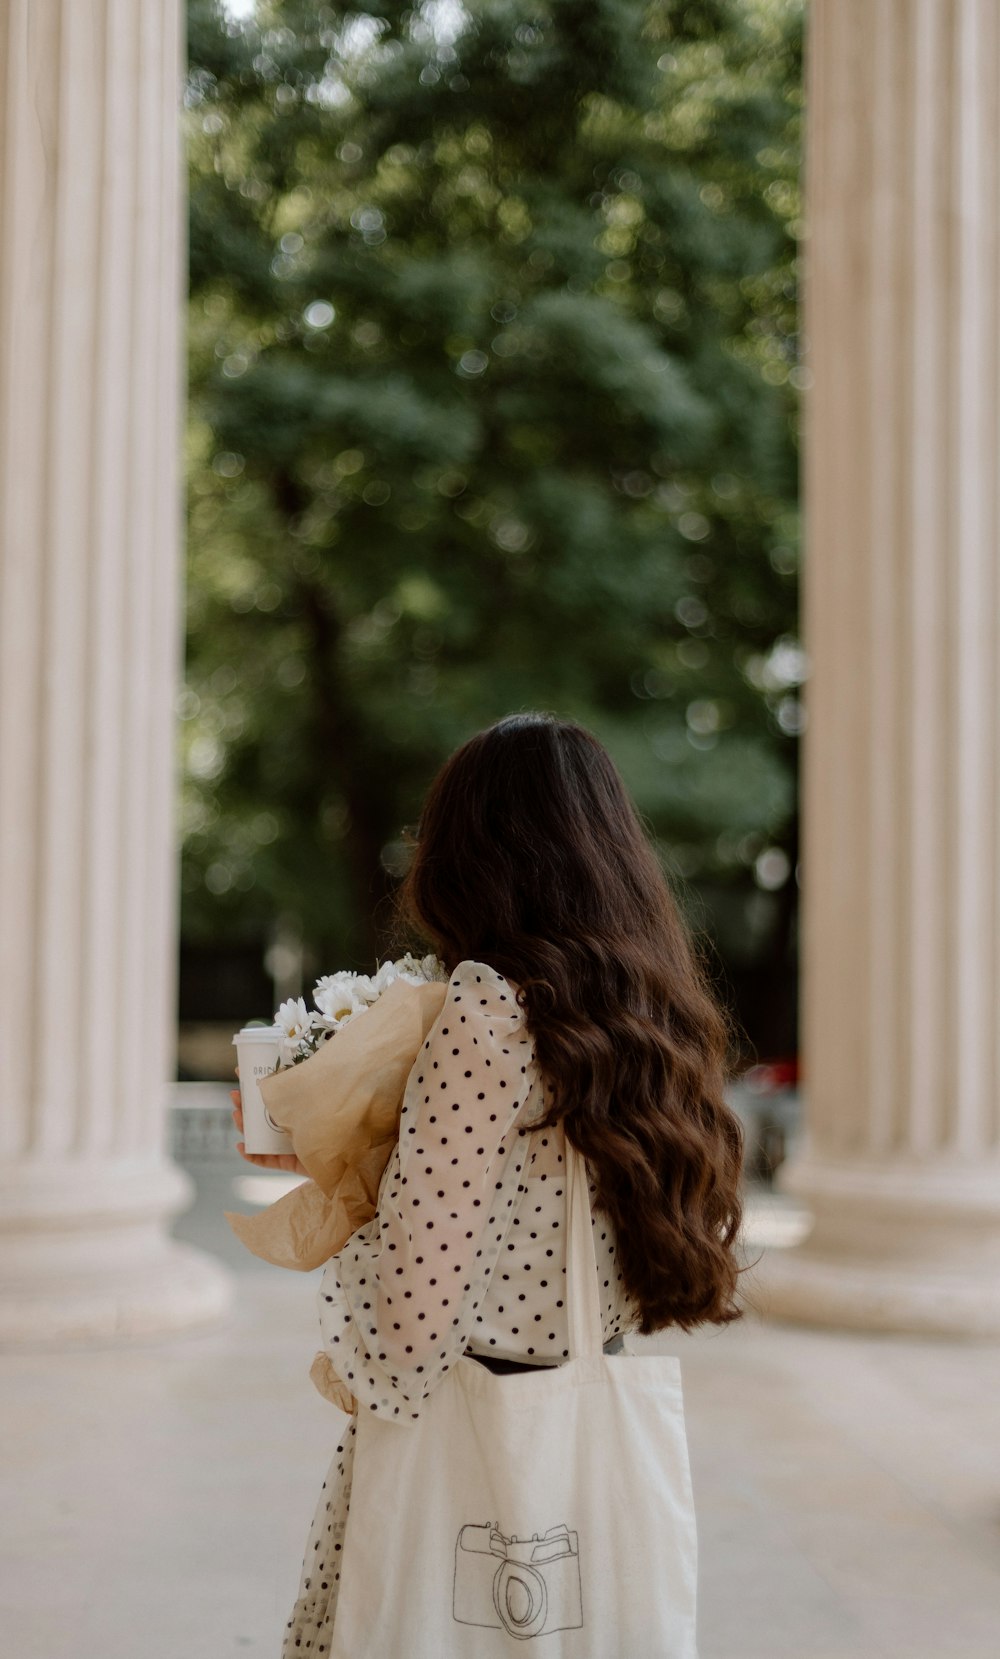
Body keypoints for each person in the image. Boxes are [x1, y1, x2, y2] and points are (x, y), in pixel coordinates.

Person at [231, 712, 746, 1655]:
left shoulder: (486, 1009)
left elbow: (409, 1325)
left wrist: (344, 1205)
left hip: (468, 1451)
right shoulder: (647, 1015)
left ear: (469, 851)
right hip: (587, 1440)